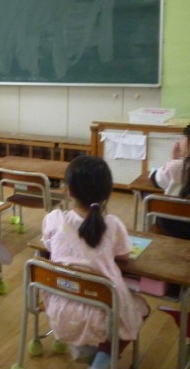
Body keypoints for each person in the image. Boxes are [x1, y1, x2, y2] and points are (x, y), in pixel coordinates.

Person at [41, 155, 149, 368]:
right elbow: (124, 254)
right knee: (142, 308)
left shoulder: (55, 219)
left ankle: (88, 350)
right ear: (108, 193)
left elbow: (48, 244)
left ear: (68, 190)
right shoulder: (113, 225)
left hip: (60, 309)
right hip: (102, 313)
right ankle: (101, 360)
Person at [150, 124, 190, 239]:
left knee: (150, 198)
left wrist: (173, 160)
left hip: (172, 225)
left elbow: (156, 180)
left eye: (183, 138)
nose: (180, 141)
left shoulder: (178, 166)